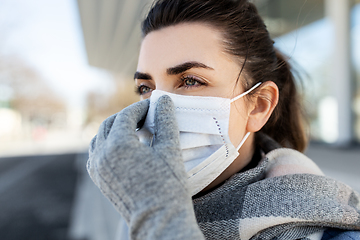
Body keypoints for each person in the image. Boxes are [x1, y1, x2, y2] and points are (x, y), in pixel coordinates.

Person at [87, 0, 360, 239]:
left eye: (191, 80)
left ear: (259, 106)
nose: (158, 109)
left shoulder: (331, 234)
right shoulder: (138, 204)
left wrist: (159, 218)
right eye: (146, 88)